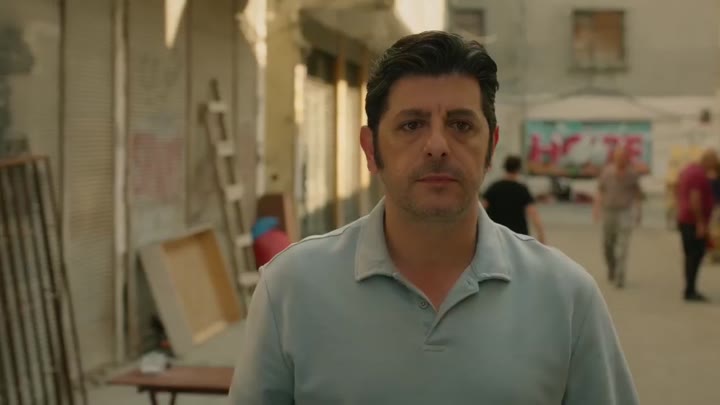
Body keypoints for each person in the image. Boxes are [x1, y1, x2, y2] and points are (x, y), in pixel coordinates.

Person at [228, 31, 638, 404]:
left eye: (461, 125)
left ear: (491, 146)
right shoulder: (290, 290)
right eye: (411, 125)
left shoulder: (566, 298)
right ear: (371, 149)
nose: (438, 145)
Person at [593, 147, 643, 288]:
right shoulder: (607, 172)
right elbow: (600, 190)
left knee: (623, 244)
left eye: (623, 157)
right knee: (608, 244)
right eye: (618, 157)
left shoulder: (632, 174)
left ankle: (620, 276)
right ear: (614, 158)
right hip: (609, 211)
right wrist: (596, 209)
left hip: (625, 212)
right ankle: (612, 267)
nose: (620, 160)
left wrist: (639, 212)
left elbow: (637, 194)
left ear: (627, 159)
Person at [675, 149, 718, 302]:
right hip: (693, 221)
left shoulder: (688, 170)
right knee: (695, 255)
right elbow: (695, 198)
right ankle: (690, 290)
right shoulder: (698, 175)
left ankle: (690, 288)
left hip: (685, 218)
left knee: (690, 256)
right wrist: (700, 223)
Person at [482, 155, 546, 243]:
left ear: (505, 167)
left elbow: (481, 209)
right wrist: (541, 235)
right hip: (518, 237)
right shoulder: (522, 189)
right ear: (518, 169)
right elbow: (533, 213)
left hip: (496, 235)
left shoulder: (494, 187)